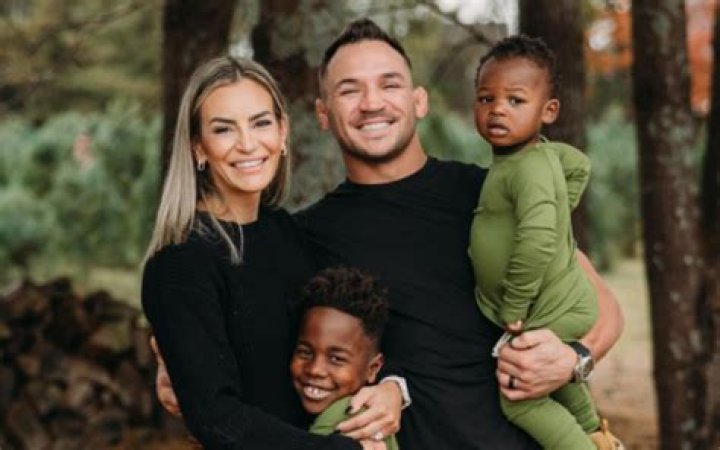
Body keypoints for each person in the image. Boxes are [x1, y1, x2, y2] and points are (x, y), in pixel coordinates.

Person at [155, 19, 625, 449]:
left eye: (389, 84)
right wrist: (171, 360)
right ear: (322, 113)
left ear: (419, 101)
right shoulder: (304, 237)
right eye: (349, 90)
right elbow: (245, 322)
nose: (372, 103)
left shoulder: (485, 195)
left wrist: (574, 358)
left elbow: (603, 307)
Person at [142, 56, 396, 450]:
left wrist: (392, 387)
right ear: (198, 147)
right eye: (223, 129)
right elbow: (217, 419)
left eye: (260, 123)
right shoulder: (181, 263)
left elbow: (360, 332)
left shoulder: (290, 236)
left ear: (282, 132)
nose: (247, 143)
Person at [469, 35, 621, 450]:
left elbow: (537, 242)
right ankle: (595, 433)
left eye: (515, 100)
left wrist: (514, 306)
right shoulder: (537, 158)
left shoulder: (529, 166)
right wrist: (559, 209)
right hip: (554, 305)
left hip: (545, 308)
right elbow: (580, 165)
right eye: (486, 98)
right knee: (546, 377)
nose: (498, 109)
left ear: (548, 110)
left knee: (518, 395)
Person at [291, 267, 400, 450]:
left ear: (373, 368)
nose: (315, 369)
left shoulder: (345, 419)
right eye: (306, 352)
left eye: (336, 359)